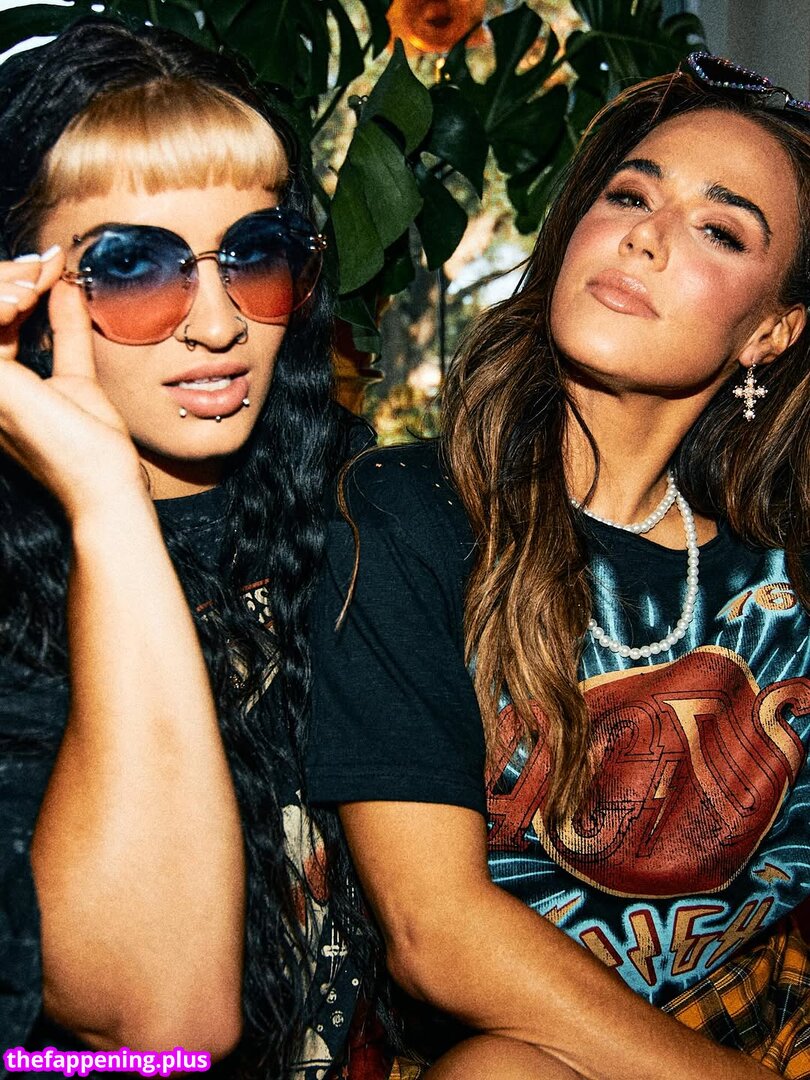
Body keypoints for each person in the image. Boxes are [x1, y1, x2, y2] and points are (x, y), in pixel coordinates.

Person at [308, 53, 810, 1078]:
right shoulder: (411, 515)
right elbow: (436, 934)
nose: (644, 235)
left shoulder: (786, 568)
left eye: (719, 229)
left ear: (771, 332)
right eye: (630, 195)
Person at [0, 17, 375, 1078]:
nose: (217, 323)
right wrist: (105, 500)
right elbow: (163, 1025)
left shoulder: (359, 509)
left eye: (256, 255)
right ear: (25, 291)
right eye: (132, 267)